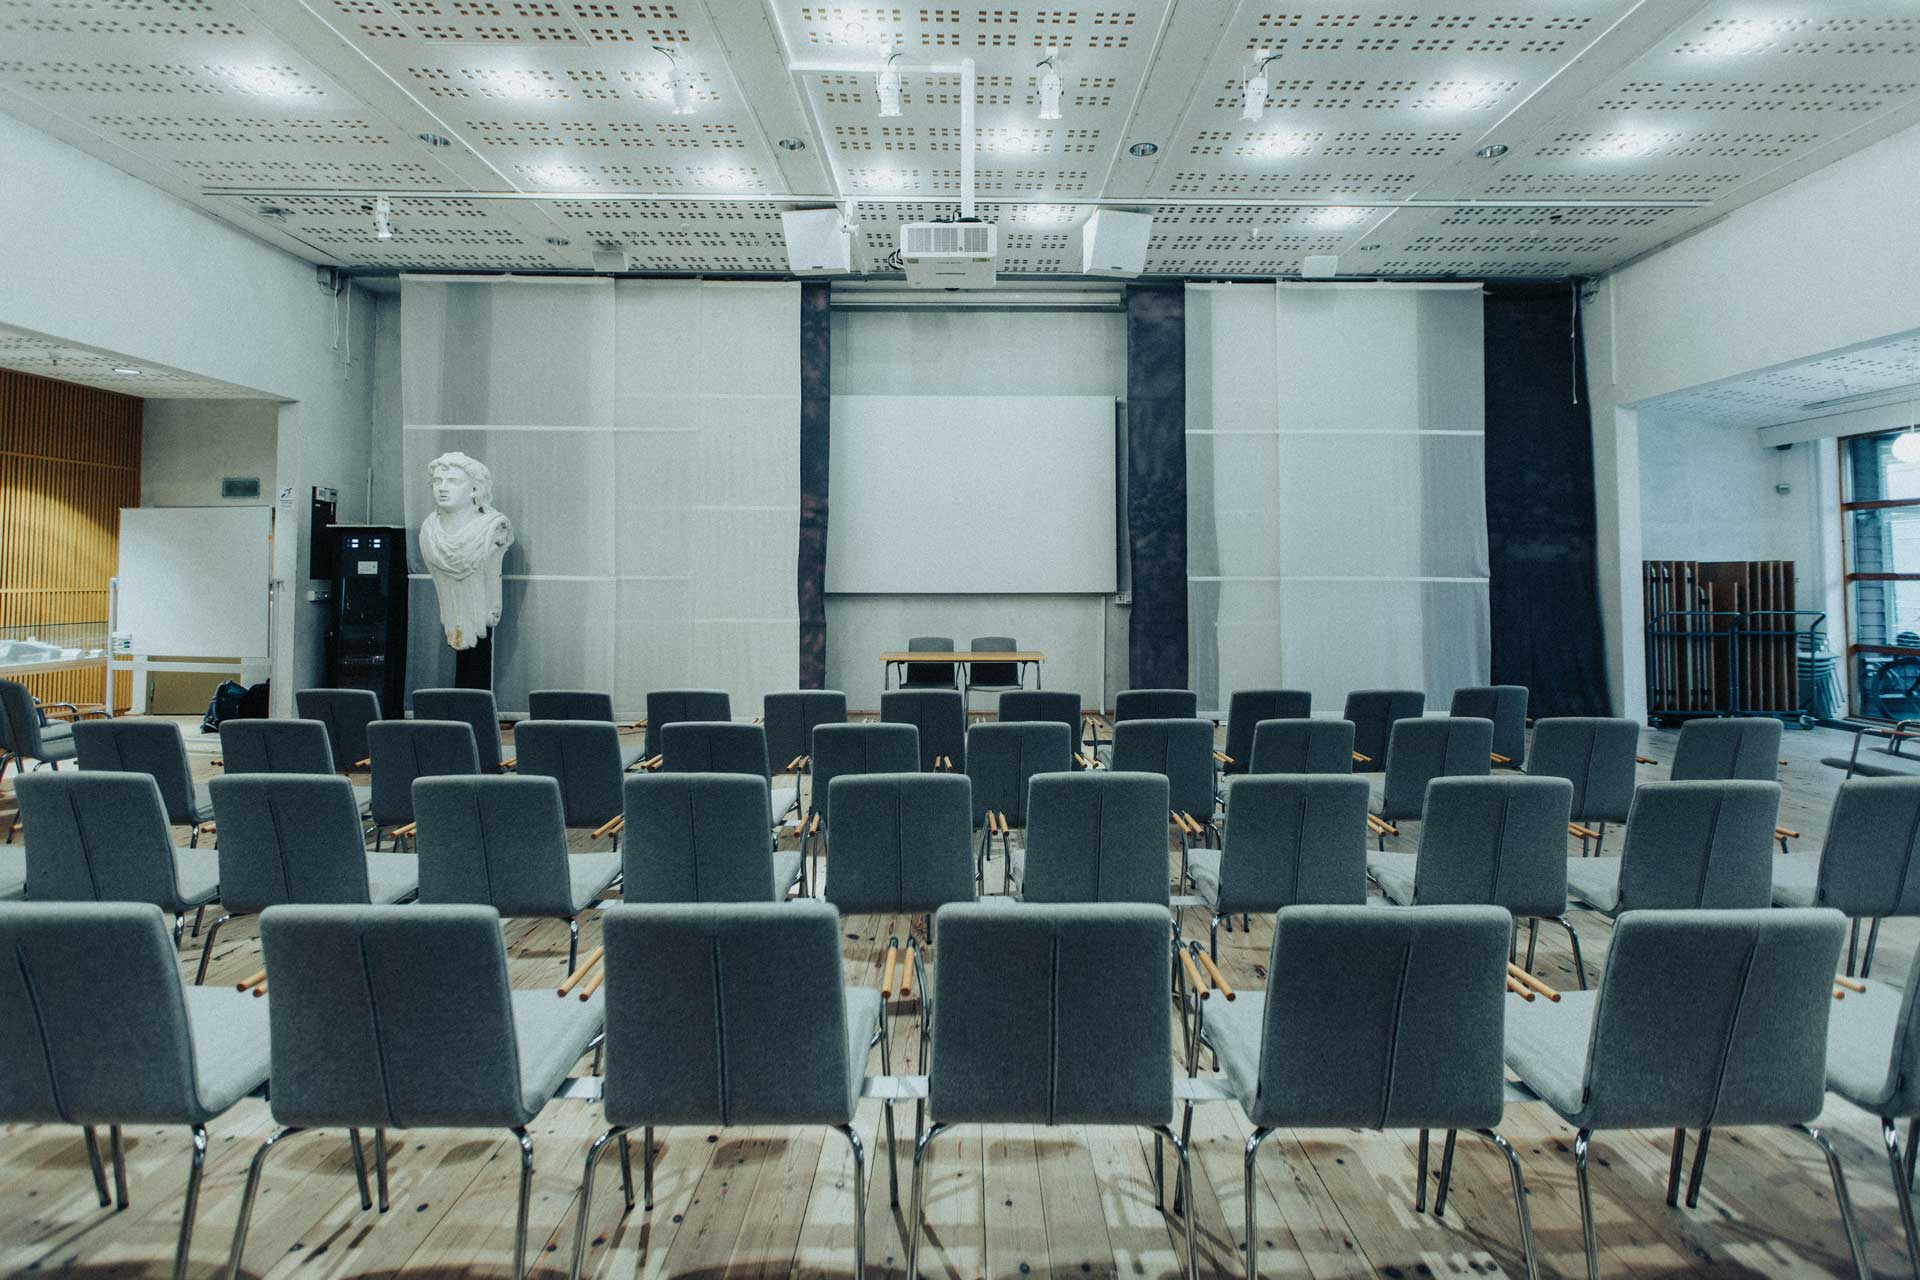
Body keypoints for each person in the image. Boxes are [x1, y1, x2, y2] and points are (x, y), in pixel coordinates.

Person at [419, 452, 514, 685]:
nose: (442, 488)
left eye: (453, 482)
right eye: (437, 482)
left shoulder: (493, 528)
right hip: (453, 612)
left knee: (476, 661)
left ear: (474, 490)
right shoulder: (430, 530)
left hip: (482, 611)